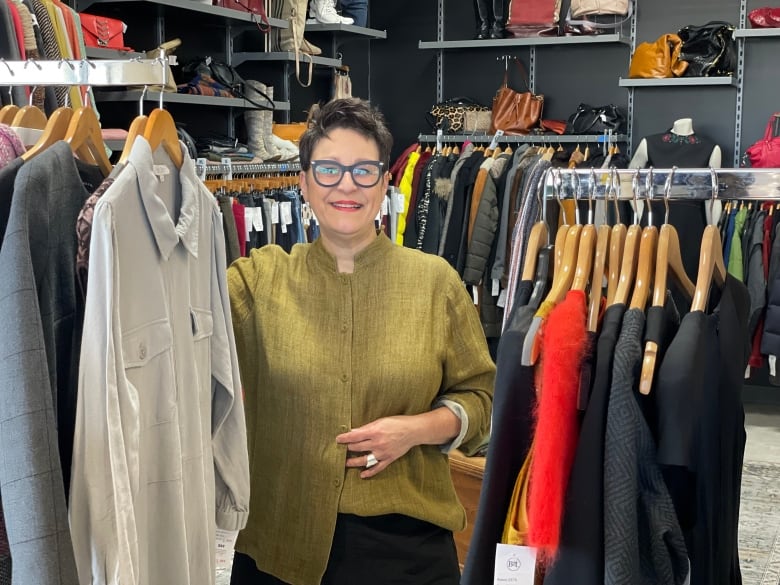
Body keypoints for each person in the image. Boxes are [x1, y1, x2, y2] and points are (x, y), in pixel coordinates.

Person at [227, 97, 496, 585]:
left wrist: (414, 430)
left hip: (407, 554)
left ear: (385, 181)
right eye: (328, 170)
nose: (346, 184)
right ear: (304, 183)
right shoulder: (256, 280)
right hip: (280, 549)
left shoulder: (435, 283)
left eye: (364, 170)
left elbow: (481, 399)